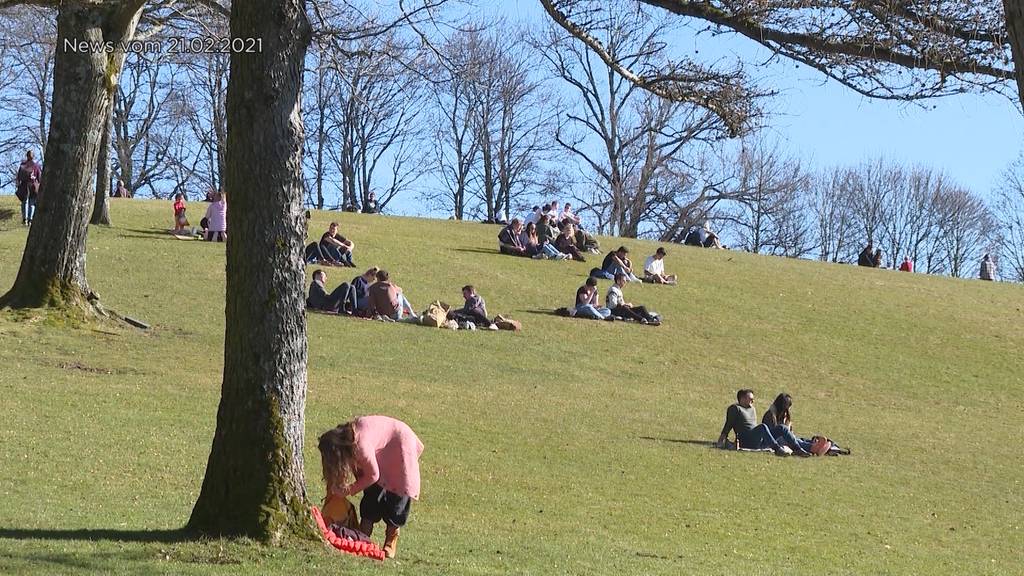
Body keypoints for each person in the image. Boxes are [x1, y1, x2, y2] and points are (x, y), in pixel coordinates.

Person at [318, 416, 424, 559]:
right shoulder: (349, 440)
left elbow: (373, 475)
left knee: (398, 495)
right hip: (383, 448)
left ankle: (391, 537)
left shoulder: (360, 446)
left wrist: (348, 490)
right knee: (372, 494)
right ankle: (364, 531)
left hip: (400, 443)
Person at [716, 389, 804, 456]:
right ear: (742, 399)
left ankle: (797, 449)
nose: (752, 401)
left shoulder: (752, 409)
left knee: (781, 427)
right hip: (746, 440)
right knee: (763, 427)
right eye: (750, 399)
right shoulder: (735, 408)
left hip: (757, 439)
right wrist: (722, 438)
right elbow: (728, 424)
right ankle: (777, 449)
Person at [15, 150, 41, 226]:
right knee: (30, 203)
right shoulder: (36, 165)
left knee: (26, 202)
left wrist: (18, 184)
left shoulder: (23, 165)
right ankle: (29, 219)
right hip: (32, 185)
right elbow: (39, 177)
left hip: (26, 185)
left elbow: (19, 177)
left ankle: (26, 219)